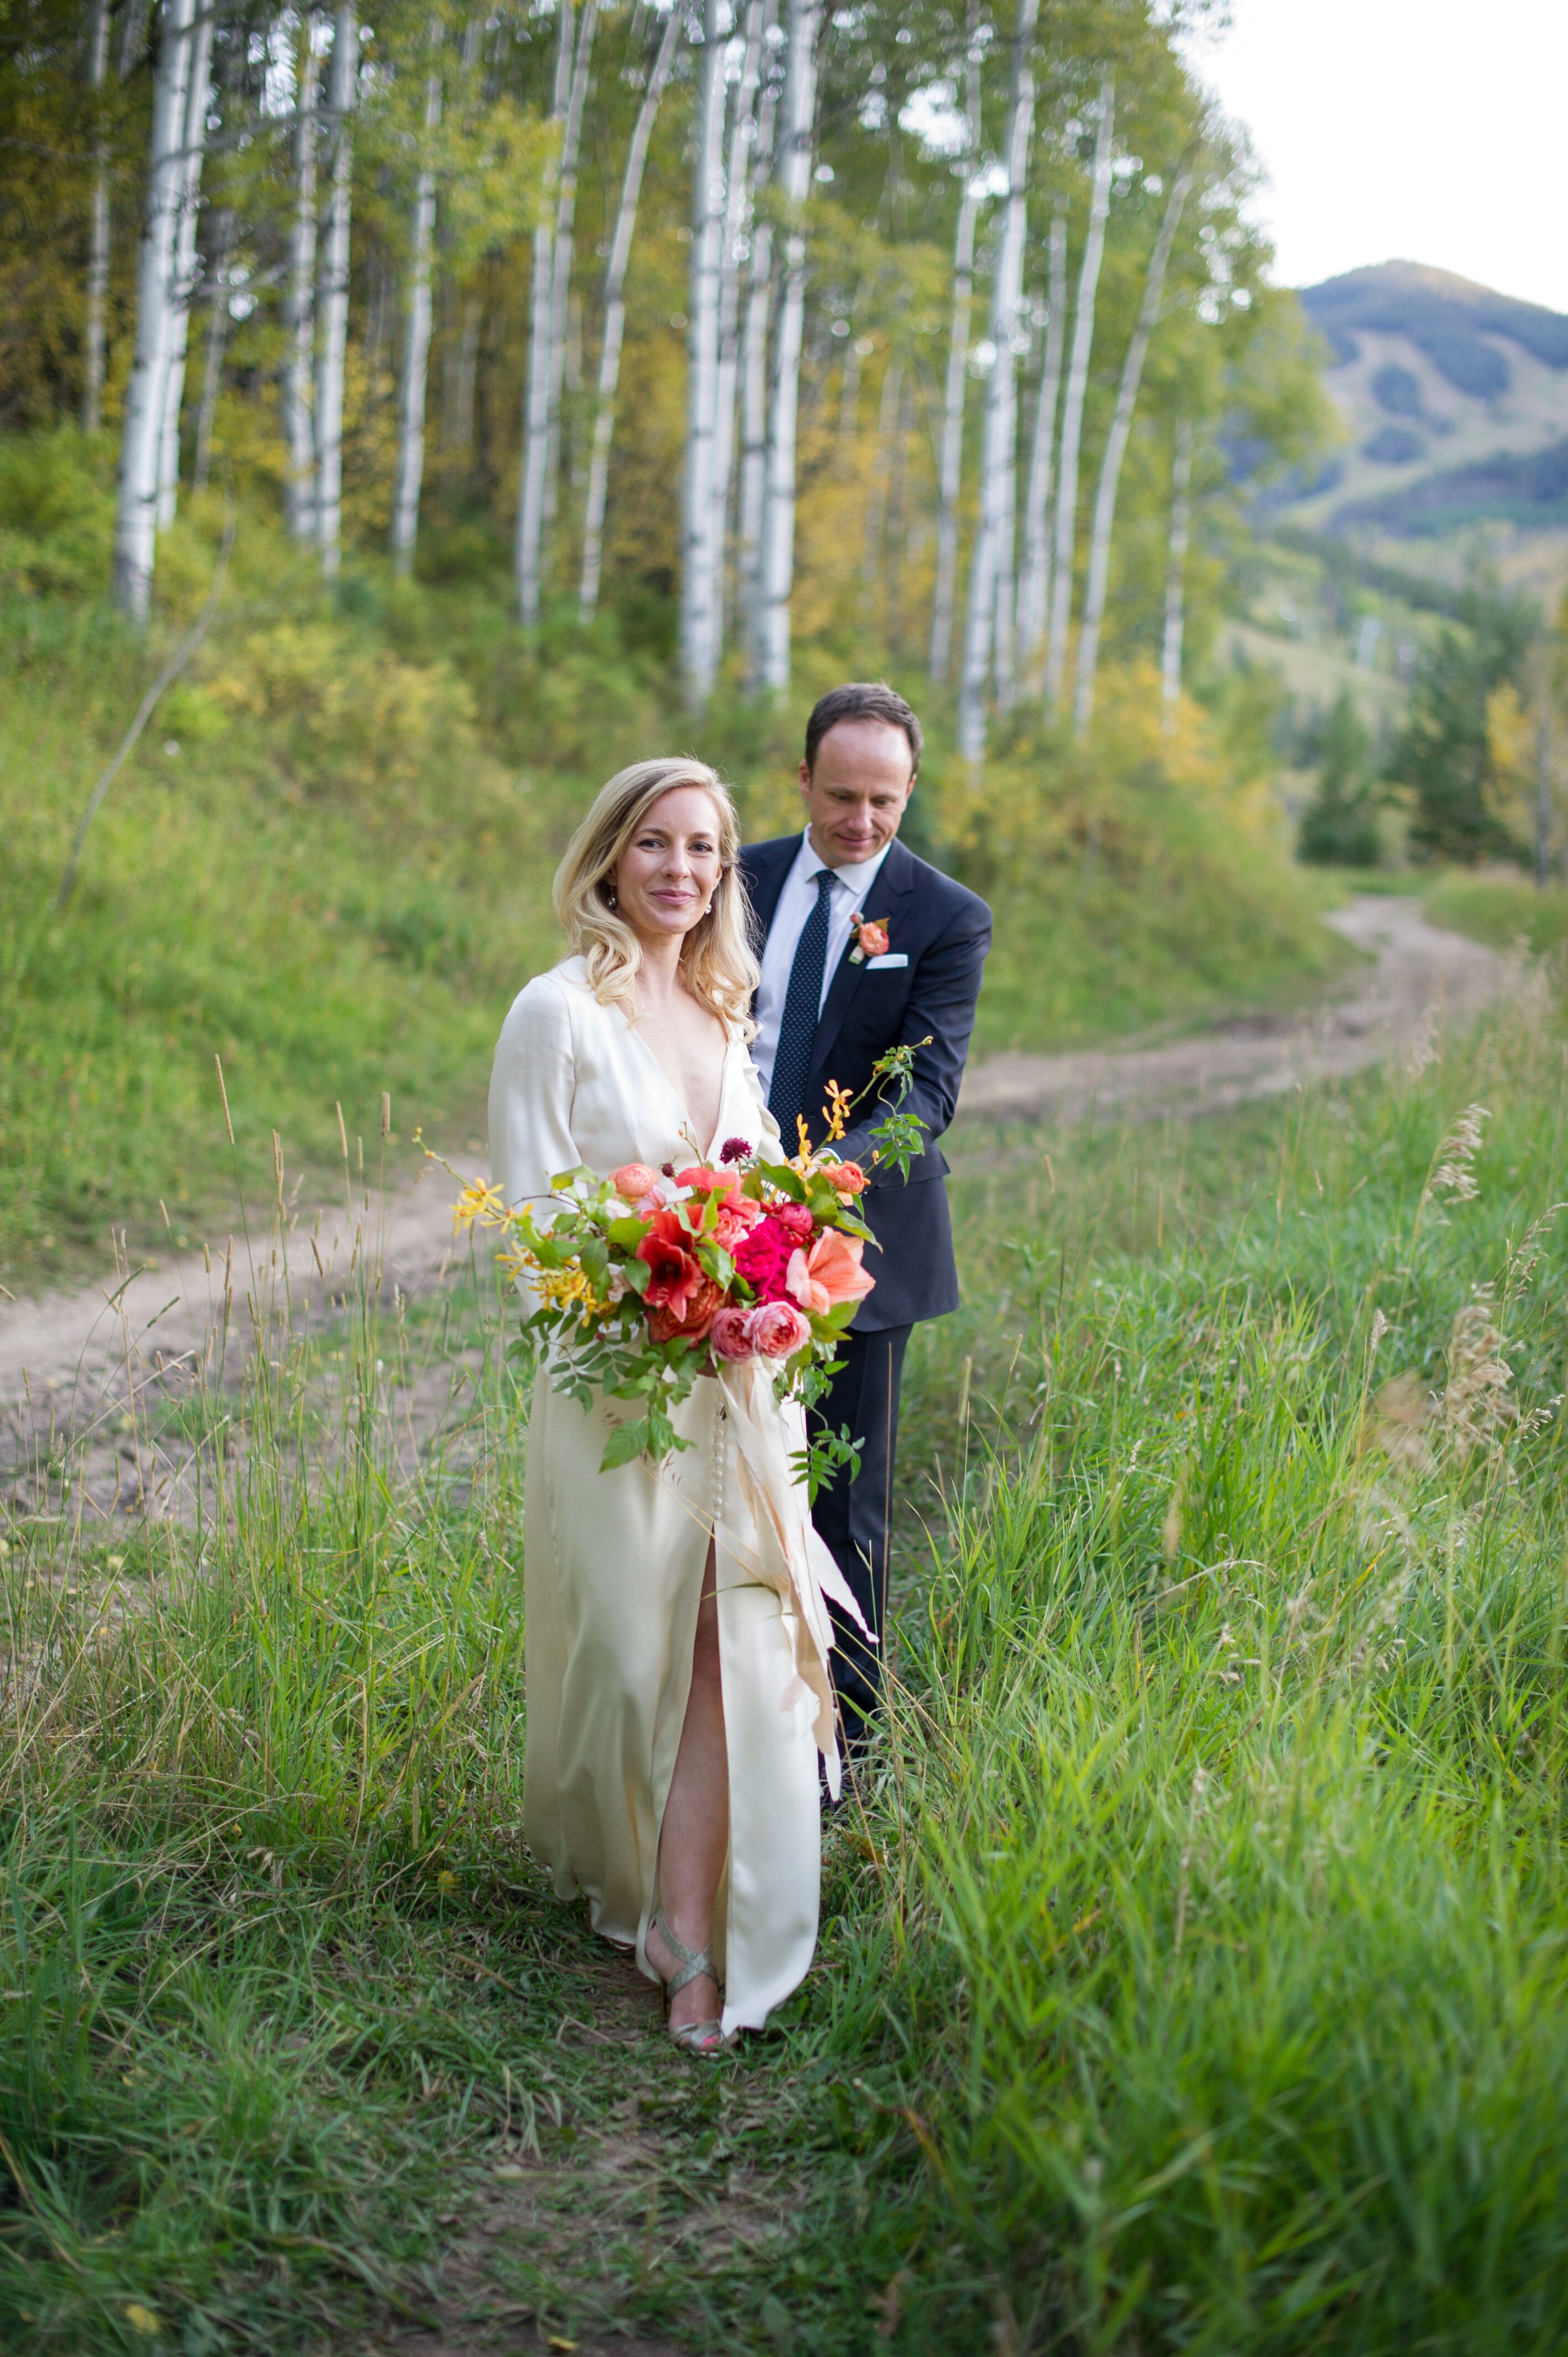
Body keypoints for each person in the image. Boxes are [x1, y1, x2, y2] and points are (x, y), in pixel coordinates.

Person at [488, 758, 862, 2057]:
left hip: (740, 1388)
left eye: (705, 849)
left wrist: (770, 1272)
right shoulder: (555, 1013)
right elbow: (536, 1226)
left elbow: (754, 1188)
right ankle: (624, 1867)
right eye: (655, 844)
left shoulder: (722, 1008)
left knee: (730, 1640)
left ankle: (691, 1937)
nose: (682, 871)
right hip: (619, 1386)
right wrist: (663, 1285)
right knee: (628, 1653)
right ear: (608, 856)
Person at [741, 684, 991, 1756]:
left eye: (884, 801)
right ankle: (732, 1726)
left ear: (910, 791)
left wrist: (814, 1183)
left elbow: (924, 1101)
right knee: (716, 1489)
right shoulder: (734, 878)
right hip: (719, 1218)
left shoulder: (944, 917)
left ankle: (851, 1749)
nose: (860, 821)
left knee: (843, 1501)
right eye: (840, 796)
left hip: (854, 1244)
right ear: (802, 780)